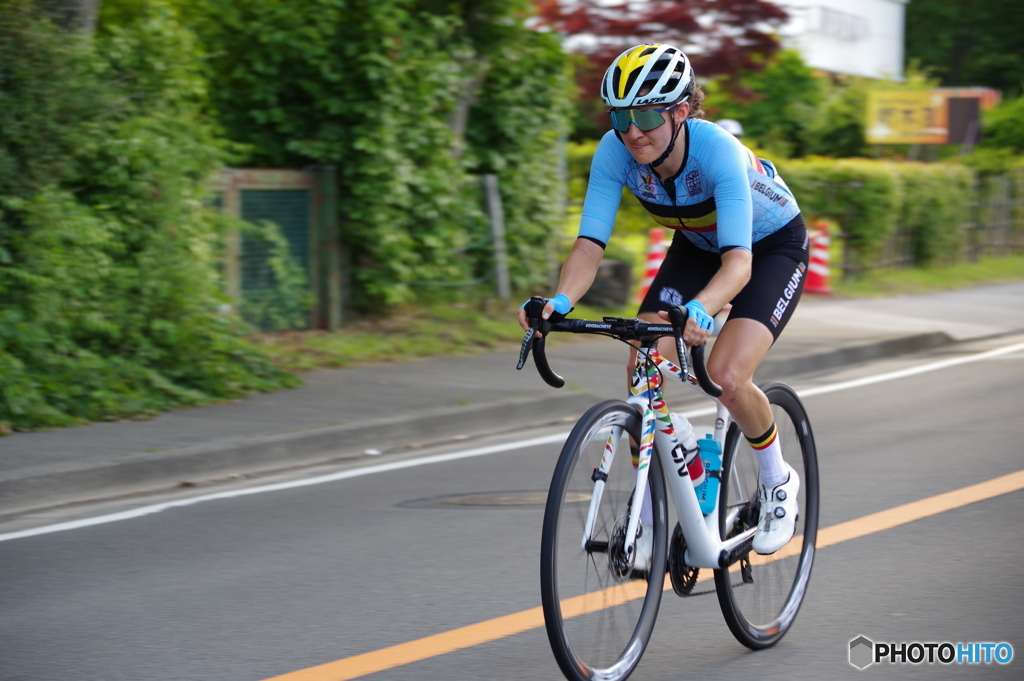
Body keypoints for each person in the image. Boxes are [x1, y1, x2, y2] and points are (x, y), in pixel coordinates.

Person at [518, 43, 809, 559]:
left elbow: (738, 265)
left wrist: (702, 309)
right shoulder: (614, 152)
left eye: (647, 115)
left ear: (679, 110)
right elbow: (589, 244)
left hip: (767, 250)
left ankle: (776, 478)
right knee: (642, 365)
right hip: (698, 246)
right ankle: (651, 516)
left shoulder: (716, 150)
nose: (632, 131)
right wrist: (560, 300)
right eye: (620, 116)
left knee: (725, 374)